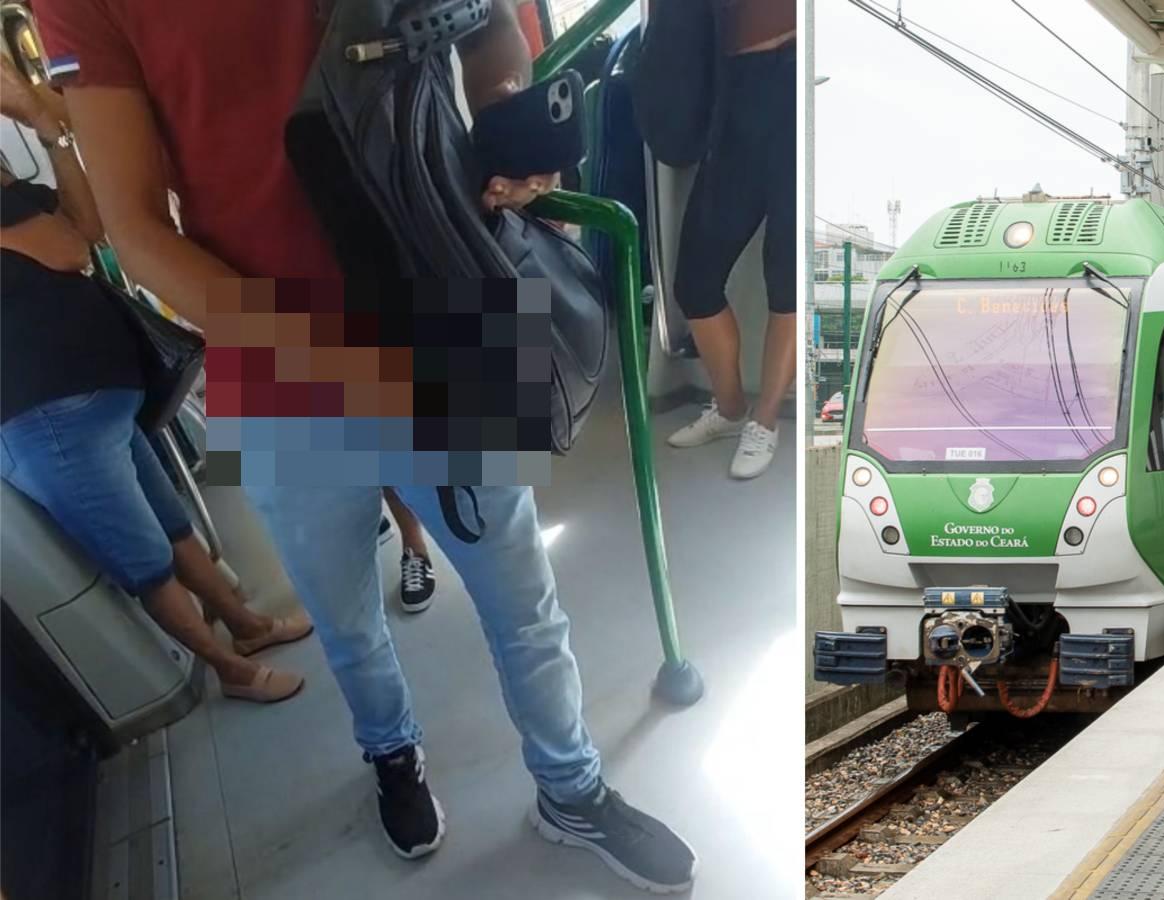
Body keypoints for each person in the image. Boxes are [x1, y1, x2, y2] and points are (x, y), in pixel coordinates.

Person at [37, 0, 697, 890]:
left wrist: (507, 119)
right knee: (346, 613)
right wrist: (330, 359)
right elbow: (135, 228)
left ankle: (571, 786)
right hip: (271, 353)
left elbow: (491, 30)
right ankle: (391, 753)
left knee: (521, 597)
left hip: (447, 302)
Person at [0, 55, 310, 703]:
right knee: (145, 560)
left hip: (93, 403)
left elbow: (90, 225)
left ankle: (246, 626)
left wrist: (51, 134)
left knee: (172, 529)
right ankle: (232, 672)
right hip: (48, 418)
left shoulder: (10, 199)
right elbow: (69, 251)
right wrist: (34, 115)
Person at [665, 0, 796, 480]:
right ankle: (731, 407)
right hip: (737, 85)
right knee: (695, 281)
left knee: (787, 281)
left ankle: (764, 423)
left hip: (800, 81)